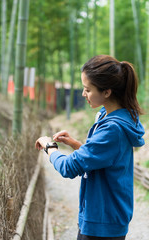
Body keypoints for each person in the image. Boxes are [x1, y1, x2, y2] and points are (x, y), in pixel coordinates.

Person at [35, 55, 145, 240]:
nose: (83, 94)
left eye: (87, 89)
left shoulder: (113, 128)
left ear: (107, 92)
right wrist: (77, 145)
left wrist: (49, 146)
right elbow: (104, 156)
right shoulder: (113, 116)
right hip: (104, 217)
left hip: (104, 223)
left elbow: (69, 168)